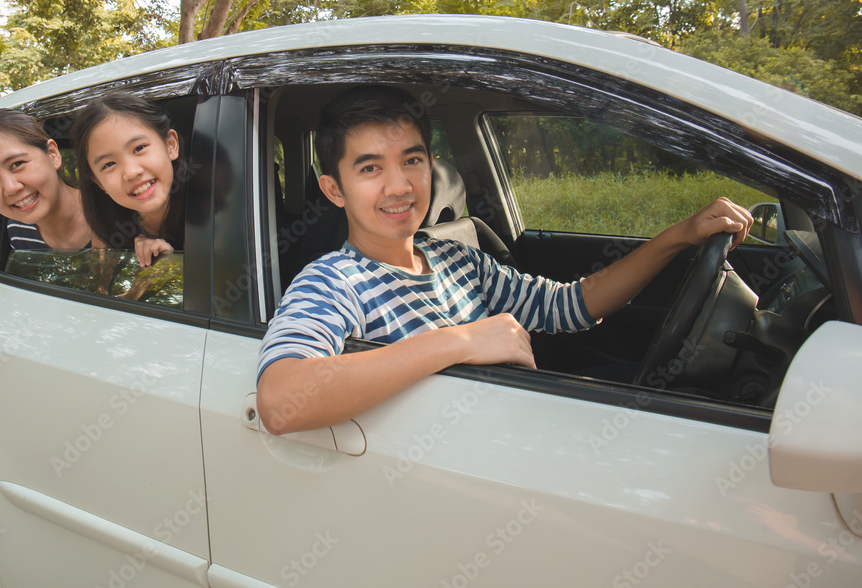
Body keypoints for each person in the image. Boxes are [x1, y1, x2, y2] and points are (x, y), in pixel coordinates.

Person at [256, 86, 752, 435]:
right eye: (370, 168)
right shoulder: (332, 280)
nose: (400, 186)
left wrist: (680, 236)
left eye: (412, 160)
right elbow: (280, 401)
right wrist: (464, 339)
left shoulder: (455, 259)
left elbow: (573, 305)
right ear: (333, 190)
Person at [72, 93, 185, 266]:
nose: (131, 173)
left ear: (170, 145)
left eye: (139, 148)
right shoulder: (109, 238)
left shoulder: (223, 210)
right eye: (109, 164)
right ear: (99, 182)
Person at [0, 109, 91, 250]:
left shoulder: (112, 208)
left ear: (52, 154)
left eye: (17, 164)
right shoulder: (17, 231)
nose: (10, 188)